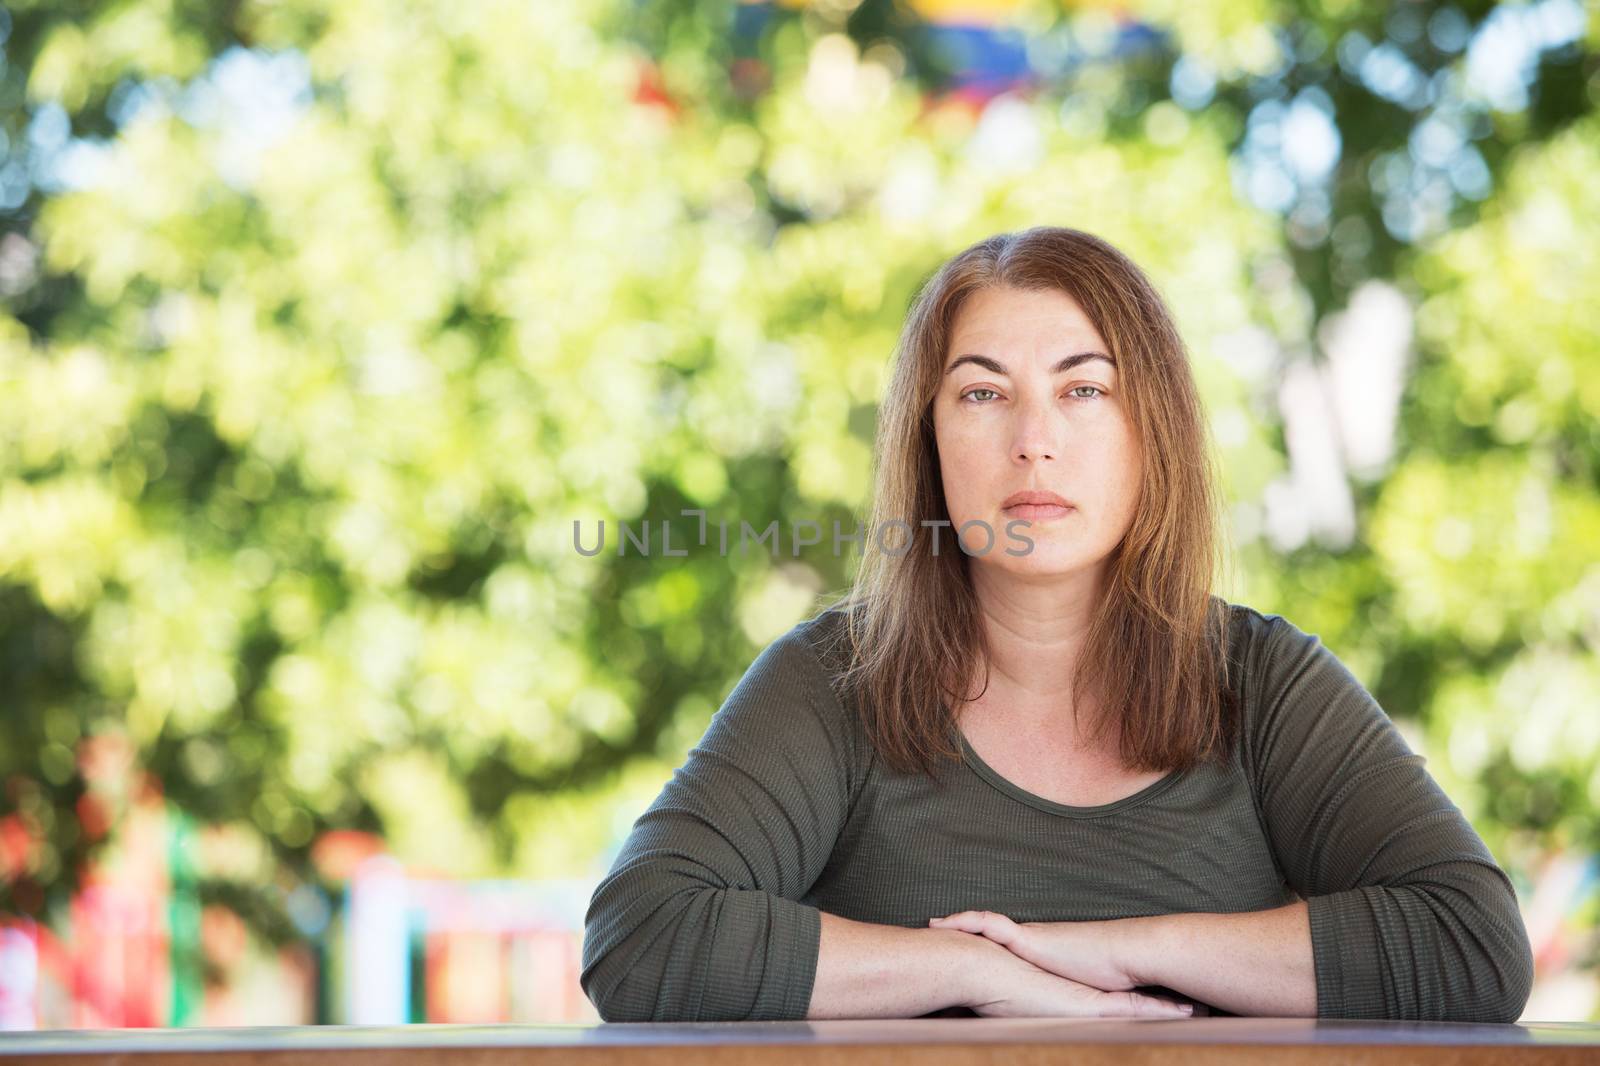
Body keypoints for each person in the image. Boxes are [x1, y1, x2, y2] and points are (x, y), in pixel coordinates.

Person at [578, 226, 1535, 1024]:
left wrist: (1118, 953)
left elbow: (1473, 948)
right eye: (983, 393)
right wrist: (974, 971)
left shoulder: (1264, 680)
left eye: (1084, 389)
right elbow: (640, 938)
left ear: (1149, 428)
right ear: (930, 441)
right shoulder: (838, 677)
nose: (1033, 437)